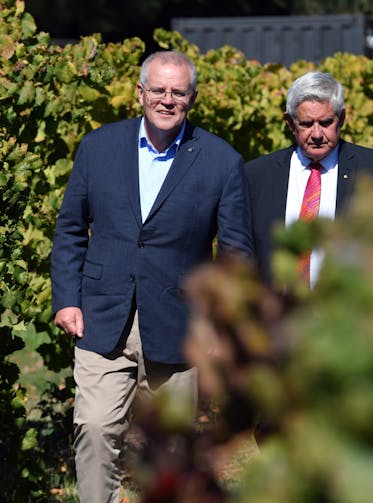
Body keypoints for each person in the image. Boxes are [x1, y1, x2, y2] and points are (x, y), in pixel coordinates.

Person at [50, 50, 254, 502]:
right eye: (158, 90)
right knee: (96, 429)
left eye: (177, 92)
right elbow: (69, 229)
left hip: (179, 327)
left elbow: (236, 254)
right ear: (139, 93)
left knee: (174, 453)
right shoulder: (99, 147)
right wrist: (66, 298)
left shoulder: (221, 161)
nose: (167, 100)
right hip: (103, 317)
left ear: (192, 98)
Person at [245, 71, 373, 287]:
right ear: (290, 123)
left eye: (326, 122)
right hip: (278, 315)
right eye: (306, 124)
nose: (317, 134)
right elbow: (244, 256)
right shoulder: (257, 175)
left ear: (342, 119)